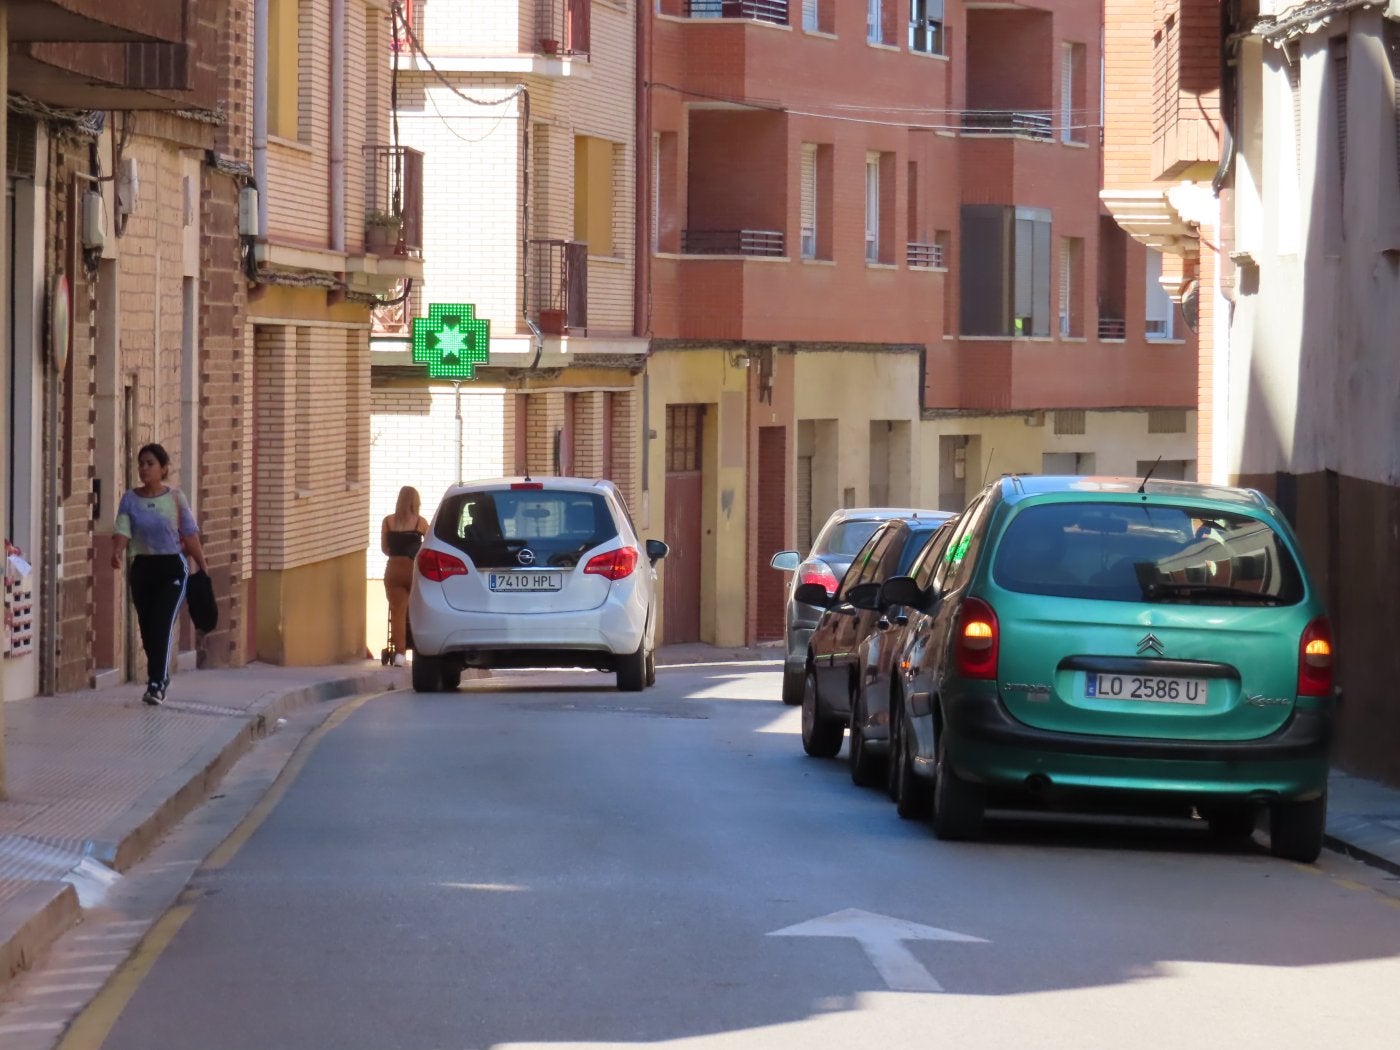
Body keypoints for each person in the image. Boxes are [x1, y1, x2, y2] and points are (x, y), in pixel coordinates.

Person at [110, 443, 208, 706]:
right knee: (147, 626)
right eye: (141, 463)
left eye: (150, 463)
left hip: (172, 569)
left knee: (162, 623)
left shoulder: (175, 498)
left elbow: (189, 533)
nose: (144, 468)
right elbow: (123, 528)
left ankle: (155, 684)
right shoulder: (130, 499)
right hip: (142, 568)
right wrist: (117, 551)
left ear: (163, 468)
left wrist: (202, 565)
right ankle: (159, 676)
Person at [381, 486, 428, 667]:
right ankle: (422, 647)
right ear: (415, 502)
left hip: (393, 569)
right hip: (414, 569)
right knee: (420, 609)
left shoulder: (388, 522)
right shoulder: (420, 523)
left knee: (397, 611)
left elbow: (385, 549)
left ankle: (399, 654)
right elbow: (431, 544)